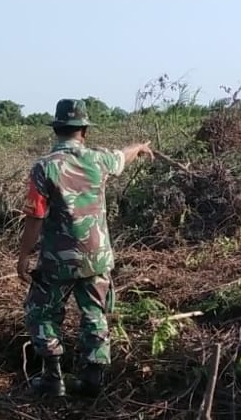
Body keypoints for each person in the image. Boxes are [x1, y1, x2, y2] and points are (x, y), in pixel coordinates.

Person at [17, 98, 153, 398]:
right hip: (97, 257)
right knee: (94, 313)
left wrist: (25, 256)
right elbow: (122, 157)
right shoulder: (98, 160)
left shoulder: (43, 168)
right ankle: (93, 378)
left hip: (57, 260)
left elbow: (35, 217)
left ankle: (53, 378)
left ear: (57, 130)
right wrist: (140, 148)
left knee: (40, 313)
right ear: (84, 131)